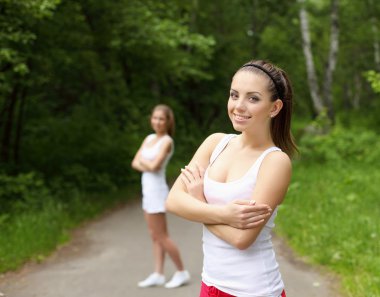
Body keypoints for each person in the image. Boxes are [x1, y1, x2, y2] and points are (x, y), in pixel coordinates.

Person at [166, 60, 297, 297]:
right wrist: (225, 214)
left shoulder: (275, 162)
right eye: (234, 95)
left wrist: (199, 204)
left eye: (253, 98)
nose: (239, 106)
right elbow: (173, 201)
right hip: (211, 284)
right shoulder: (215, 143)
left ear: (274, 108)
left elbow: (241, 239)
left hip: (255, 290)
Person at [131, 104, 190, 289]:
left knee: (161, 236)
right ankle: (158, 274)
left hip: (157, 192)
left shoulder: (166, 141)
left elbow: (155, 167)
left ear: (168, 122)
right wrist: (145, 163)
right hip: (147, 192)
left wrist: (145, 163)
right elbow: (134, 162)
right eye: (155, 118)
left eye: (161, 119)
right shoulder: (149, 138)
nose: (157, 122)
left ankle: (181, 272)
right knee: (154, 236)